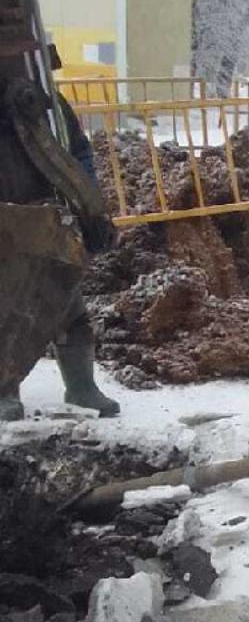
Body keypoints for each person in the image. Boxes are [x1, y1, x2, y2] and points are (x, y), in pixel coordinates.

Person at [0, 44, 120, 420]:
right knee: (7, 312)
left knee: (69, 305)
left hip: (52, 220)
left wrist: (87, 200)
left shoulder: (50, 109)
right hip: (6, 224)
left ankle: (82, 386)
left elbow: (76, 152)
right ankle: (6, 391)